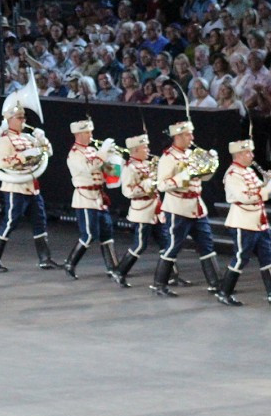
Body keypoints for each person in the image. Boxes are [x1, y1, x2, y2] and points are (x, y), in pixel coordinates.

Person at [0, 96, 61, 272]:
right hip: (15, 187)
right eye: (19, 118)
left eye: (24, 117)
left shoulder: (28, 137)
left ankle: (45, 258)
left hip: (31, 186)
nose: (23, 121)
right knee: (11, 222)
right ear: (9, 120)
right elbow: (3, 162)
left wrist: (42, 140)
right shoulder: (5, 139)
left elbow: (48, 152)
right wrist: (23, 156)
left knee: (40, 221)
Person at [215, 139, 271, 306]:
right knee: (241, 257)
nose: (252, 155)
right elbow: (246, 197)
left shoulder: (249, 171)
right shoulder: (233, 175)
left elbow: (257, 190)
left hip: (258, 221)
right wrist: (269, 187)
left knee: (267, 256)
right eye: (247, 153)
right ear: (238, 155)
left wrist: (265, 181)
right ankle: (224, 292)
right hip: (242, 222)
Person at [152, 121, 221, 296]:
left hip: (196, 206)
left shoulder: (192, 154)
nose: (192, 138)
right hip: (178, 207)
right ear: (178, 137)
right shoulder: (168, 157)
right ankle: (159, 284)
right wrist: (186, 174)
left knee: (207, 244)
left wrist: (212, 164)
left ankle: (216, 283)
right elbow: (162, 185)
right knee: (173, 245)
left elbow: (203, 179)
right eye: (188, 134)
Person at [62, 119, 122, 279]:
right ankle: (70, 263)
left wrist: (114, 158)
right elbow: (90, 167)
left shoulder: (91, 150)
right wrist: (103, 152)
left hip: (98, 197)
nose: (91, 135)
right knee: (89, 234)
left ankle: (113, 267)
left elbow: (105, 170)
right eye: (87, 132)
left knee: (107, 232)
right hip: (85, 198)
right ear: (79, 134)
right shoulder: (74, 154)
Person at [110, 132, 165, 288]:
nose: (148, 150)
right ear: (135, 150)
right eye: (144, 147)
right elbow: (127, 191)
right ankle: (120, 271)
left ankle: (169, 275)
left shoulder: (148, 164)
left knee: (166, 244)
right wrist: (149, 183)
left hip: (156, 209)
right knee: (140, 245)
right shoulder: (130, 168)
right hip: (142, 210)